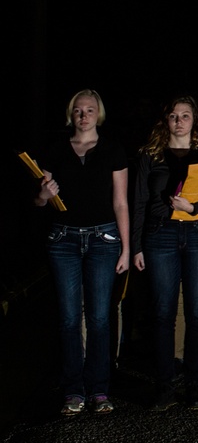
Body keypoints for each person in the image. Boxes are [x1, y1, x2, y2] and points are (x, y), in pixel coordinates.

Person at [34, 89, 130, 415]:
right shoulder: (56, 149)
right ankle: (74, 390)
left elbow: (120, 202)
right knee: (69, 318)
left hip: (104, 239)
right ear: (71, 114)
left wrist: (127, 248)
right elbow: (38, 202)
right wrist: (44, 195)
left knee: (100, 318)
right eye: (78, 110)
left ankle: (100, 390)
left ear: (98, 114)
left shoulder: (113, 149)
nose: (83, 116)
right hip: (63, 240)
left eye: (89, 110)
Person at [132, 96, 198, 411]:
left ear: (194, 119)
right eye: (173, 115)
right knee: (163, 313)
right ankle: (164, 387)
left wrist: (194, 207)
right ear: (166, 120)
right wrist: (135, 246)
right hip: (161, 234)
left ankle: (195, 387)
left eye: (185, 115)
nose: (179, 121)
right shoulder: (151, 153)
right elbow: (139, 201)